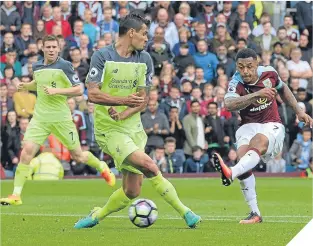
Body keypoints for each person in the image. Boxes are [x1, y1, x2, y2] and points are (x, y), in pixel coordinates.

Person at [74, 13, 201, 229]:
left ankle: (97, 215)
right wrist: (122, 101)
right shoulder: (102, 56)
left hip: (133, 128)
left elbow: (142, 101)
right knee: (150, 165)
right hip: (109, 130)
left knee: (132, 191)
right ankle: (186, 212)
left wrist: (124, 113)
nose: (146, 39)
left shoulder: (145, 59)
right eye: (144, 34)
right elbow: (93, 94)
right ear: (131, 33)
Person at [0, 35, 115, 206]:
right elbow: (39, 84)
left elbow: (78, 89)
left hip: (61, 118)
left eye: (54, 47)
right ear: (43, 48)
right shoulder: (37, 66)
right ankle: (16, 195)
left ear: (58, 48)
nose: (52, 50)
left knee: (78, 155)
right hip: (40, 117)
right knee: (26, 153)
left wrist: (57, 92)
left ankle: (102, 167)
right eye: (49, 47)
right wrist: (28, 86)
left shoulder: (65, 66)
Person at [212, 48, 313, 224]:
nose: (245, 71)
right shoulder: (236, 82)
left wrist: (298, 111)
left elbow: (284, 89)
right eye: (241, 67)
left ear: (257, 64)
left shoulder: (270, 73)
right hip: (247, 126)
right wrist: (256, 94)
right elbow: (228, 104)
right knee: (244, 161)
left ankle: (231, 172)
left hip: (271, 124)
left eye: (249, 67)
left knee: (257, 143)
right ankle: (255, 213)